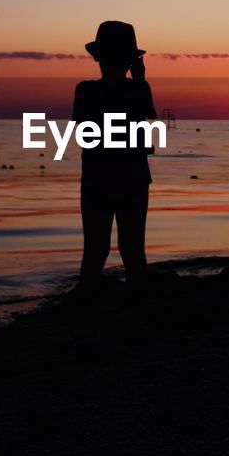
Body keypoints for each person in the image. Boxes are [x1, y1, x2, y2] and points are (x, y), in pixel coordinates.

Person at [73, 20, 156, 286]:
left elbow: (84, 136)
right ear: (130, 61)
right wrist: (140, 79)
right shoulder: (138, 90)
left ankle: (86, 301)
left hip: (97, 178)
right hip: (133, 177)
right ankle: (139, 304)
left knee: (95, 250)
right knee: (133, 250)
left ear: (97, 57)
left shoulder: (85, 91)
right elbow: (145, 127)